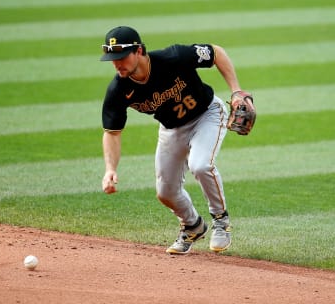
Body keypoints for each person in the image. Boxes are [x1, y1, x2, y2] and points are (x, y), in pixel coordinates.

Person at [100, 26, 254, 254]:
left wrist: (236, 91)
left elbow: (216, 53)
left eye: (122, 56)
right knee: (166, 192)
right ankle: (192, 226)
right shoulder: (118, 90)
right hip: (171, 129)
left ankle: (221, 221)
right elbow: (112, 132)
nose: (117, 63)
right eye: (113, 58)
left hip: (207, 115)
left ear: (139, 50)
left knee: (200, 165)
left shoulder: (174, 57)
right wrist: (110, 168)